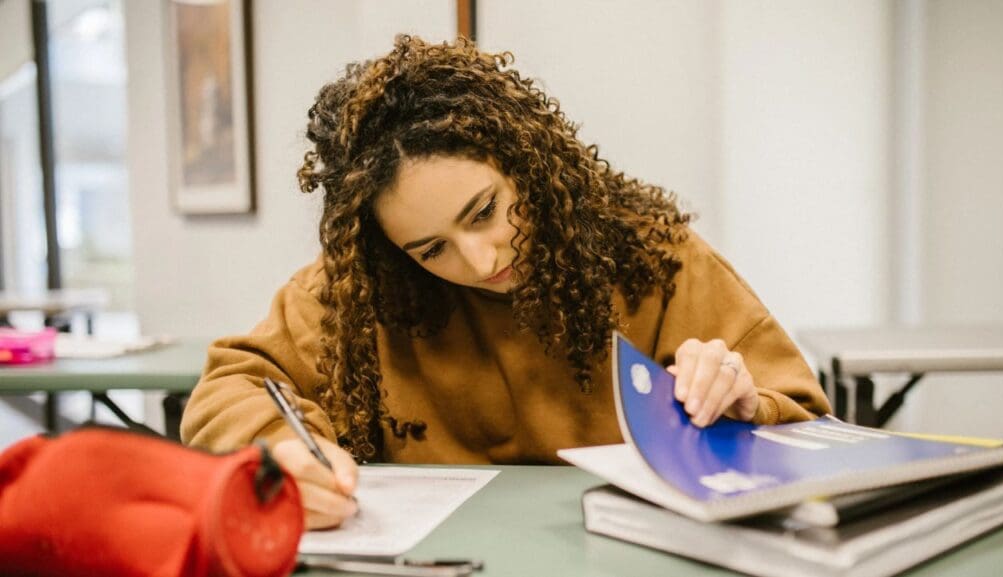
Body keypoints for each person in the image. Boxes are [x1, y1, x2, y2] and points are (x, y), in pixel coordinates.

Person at [181, 35, 831, 529]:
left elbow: (806, 419)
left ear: (525, 160)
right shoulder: (359, 295)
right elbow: (230, 384)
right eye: (431, 248)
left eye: (485, 210)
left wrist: (748, 405)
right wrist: (283, 449)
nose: (483, 260)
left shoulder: (655, 261)